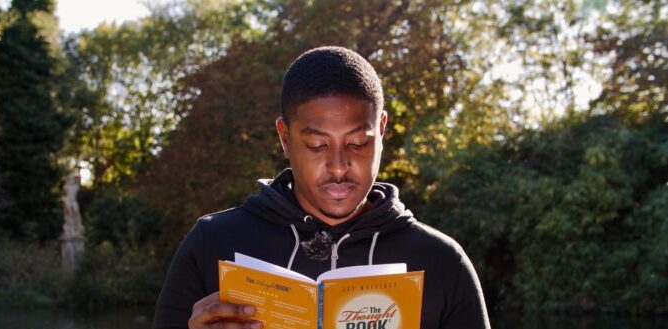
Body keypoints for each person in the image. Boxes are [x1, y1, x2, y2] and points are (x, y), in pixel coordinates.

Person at [153, 46, 490, 329]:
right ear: (285, 138)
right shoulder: (212, 243)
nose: (339, 166)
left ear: (382, 129)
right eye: (317, 146)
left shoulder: (442, 261)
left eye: (358, 142)